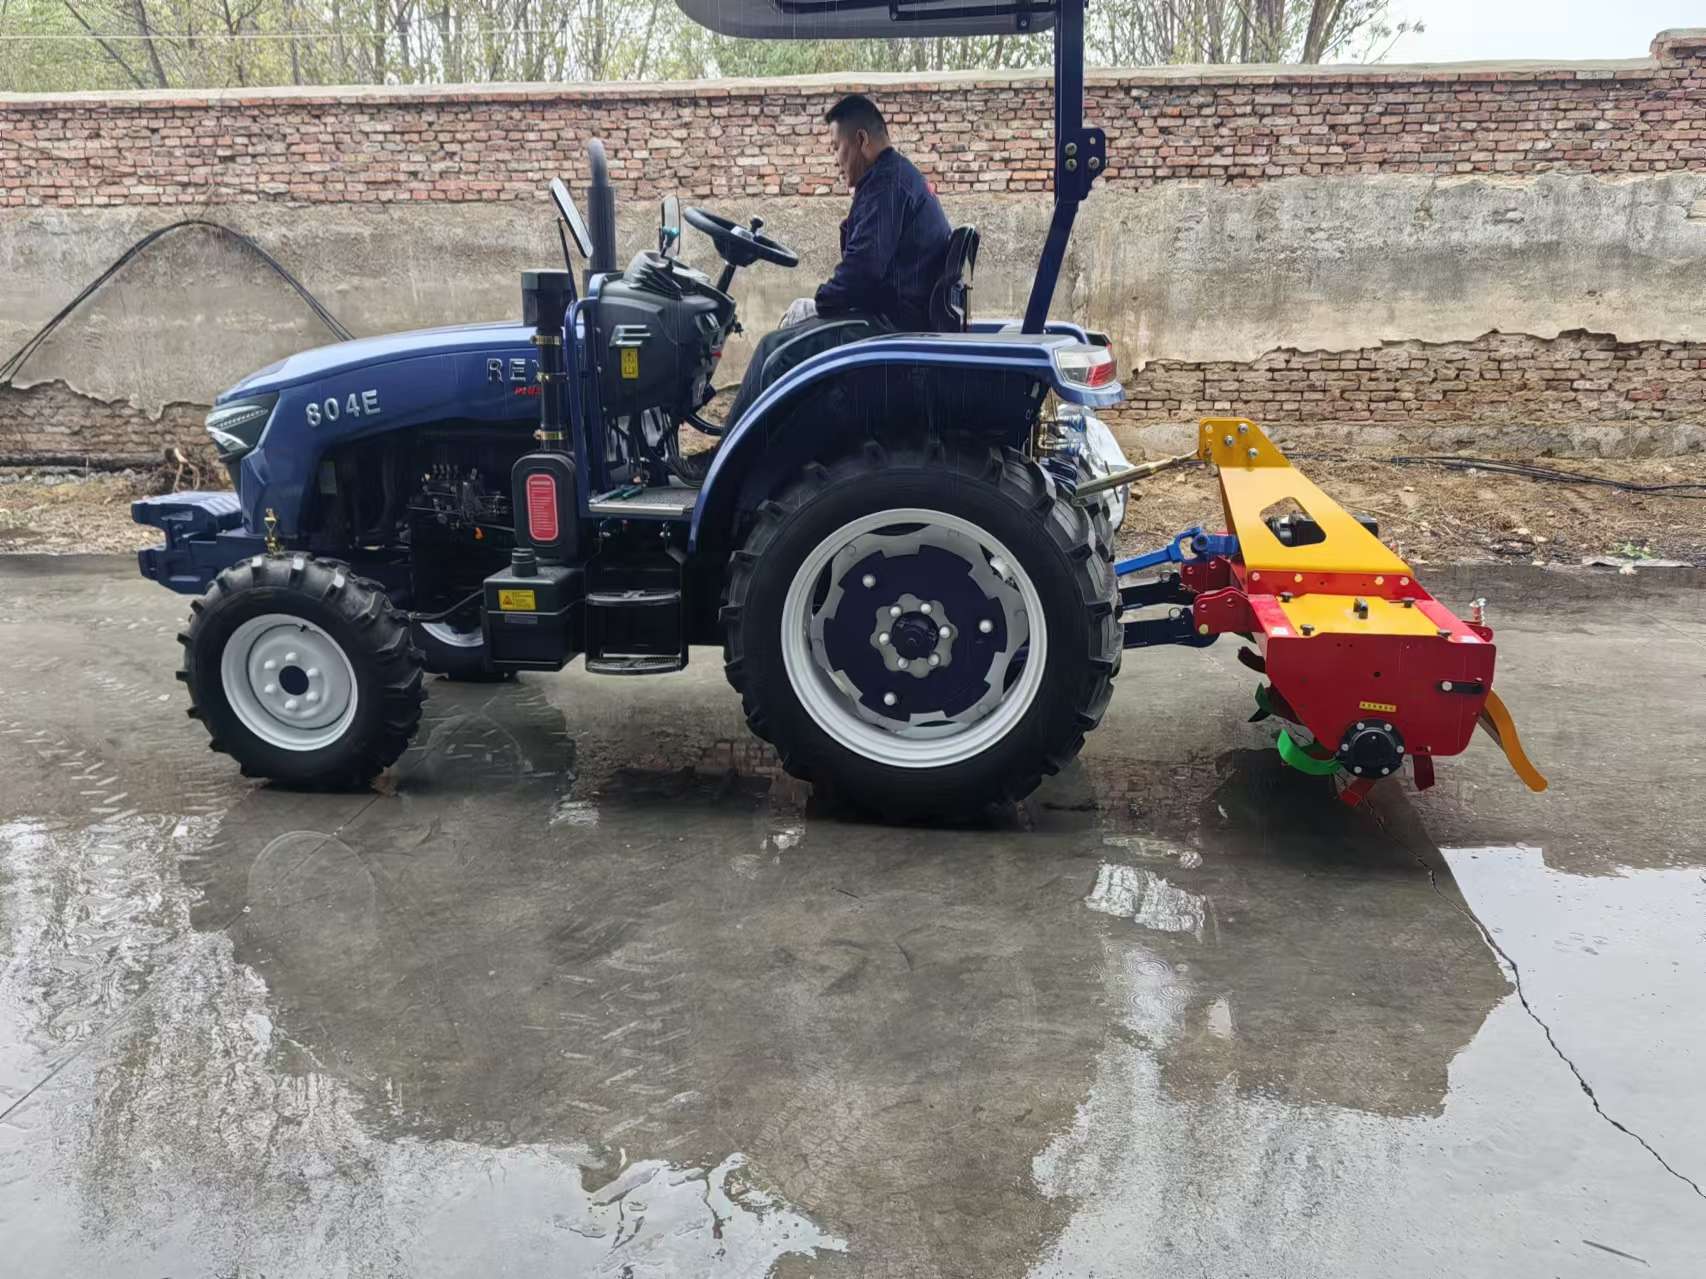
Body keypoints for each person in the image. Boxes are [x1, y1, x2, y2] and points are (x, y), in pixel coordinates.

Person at [721, 93, 952, 428]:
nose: (834, 159)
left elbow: (863, 271)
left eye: (835, 147)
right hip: (899, 316)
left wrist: (819, 303)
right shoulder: (896, 177)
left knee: (774, 353)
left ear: (860, 140)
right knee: (789, 343)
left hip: (892, 326)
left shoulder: (887, 183)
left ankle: (729, 468)